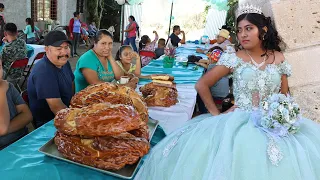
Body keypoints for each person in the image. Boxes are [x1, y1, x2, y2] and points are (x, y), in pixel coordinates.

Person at [134, 4, 320, 180]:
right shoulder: (235, 58)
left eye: (249, 28)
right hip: (238, 121)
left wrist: (286, 116)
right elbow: (202, 85)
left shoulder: (279, 58)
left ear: (263, 31)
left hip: (273, 125)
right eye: (239, 30)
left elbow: (284, 96)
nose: (242, 34)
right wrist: (216, 115)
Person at [27, 31, 74, 128]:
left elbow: (72, 85)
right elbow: (57, 108)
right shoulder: (43, 71)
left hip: (68, 111)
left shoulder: (64, 63)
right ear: (47, 50)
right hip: (48, 123)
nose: (64, 52)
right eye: (59, 49)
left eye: (66, 48)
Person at [0, 60, 32, 149]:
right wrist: (2, 92)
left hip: (23, 140)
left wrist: (6, 129)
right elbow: (2, 128)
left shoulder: (9, 87)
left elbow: (27, 115)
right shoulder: (3, 88)